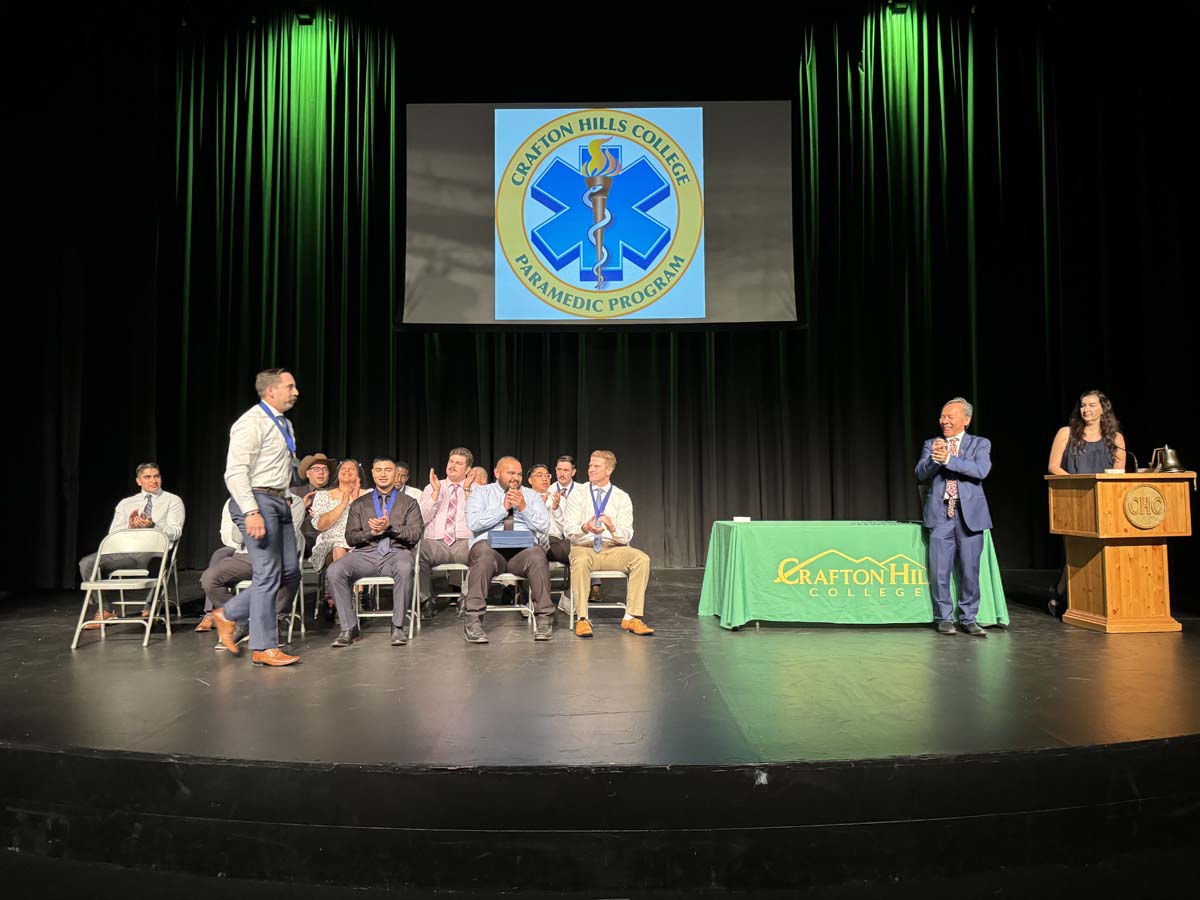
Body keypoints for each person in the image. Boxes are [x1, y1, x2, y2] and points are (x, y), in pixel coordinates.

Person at [213, 368, 302, 667]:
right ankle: (264, 646)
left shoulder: (283, 424)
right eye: (290, 387)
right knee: (267, 573)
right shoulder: (250, 423)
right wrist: (251, 510)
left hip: (279, 500)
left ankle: (228, 613)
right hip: (257, 499)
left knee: (291, 572)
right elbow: (235, 471)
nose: (296, 392)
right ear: (271, 391)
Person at [915, 397, 993, 638]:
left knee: (970, 570)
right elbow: (920, 473)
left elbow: (981, 471)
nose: (944, 421)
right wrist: (934, 460)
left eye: (950, 417)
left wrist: (949, 459)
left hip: (969, 515)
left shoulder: (980, 444)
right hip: (940, 514)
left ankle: (969, 618)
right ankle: (944, 618)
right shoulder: (932, 443)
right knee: (939, 570)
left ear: (966, 420)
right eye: (942, 416)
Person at [1045, 390, 1127, 616]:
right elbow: (1054, 466)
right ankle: (1063, 592)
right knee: (1075, 550)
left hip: (1106, 502)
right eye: (1083, 405)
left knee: (1099, 552)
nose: (1086, 410)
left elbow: (1119, 473)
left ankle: (1081, 597)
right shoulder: (1067, 433)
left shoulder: (1115, 438)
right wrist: (1078, 486)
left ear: (1103, 409)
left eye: (1092, 405)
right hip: (1074, 500)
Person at [327, 457, 423, 648]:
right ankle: (349, 628)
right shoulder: (360, 504)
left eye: (388, 470)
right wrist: (371, 532)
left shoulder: (409, 502)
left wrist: (390, 528)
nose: (383, 474)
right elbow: (350, 538)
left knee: (405, 567)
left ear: (396, 474)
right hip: (366, 554)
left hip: (396, 552)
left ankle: (397, 627)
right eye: (378, 470)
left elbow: (415, 534)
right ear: (372, 473)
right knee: (335, 570)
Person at [79, 462, 186, 627]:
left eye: (156, 476)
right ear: (138, 481)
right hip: (127, 552)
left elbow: (176, 531)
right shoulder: (126, 503)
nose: (153, 480)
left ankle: (150, 609)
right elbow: (112, 533)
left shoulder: (172, 500)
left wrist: (153, 526)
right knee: (87, 563)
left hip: (154, 551)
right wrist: (129, 526)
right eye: (147, 477)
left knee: (159, 559)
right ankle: (106, 610)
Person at [561, 450, 654, 638]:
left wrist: (612, 528)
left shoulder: (621, 497)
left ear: (609, 470)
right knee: (579, 561)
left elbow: (626, 535)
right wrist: (585, 527)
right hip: (584, 548)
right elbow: (568, 530)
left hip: (612, 549)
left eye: (597, 466)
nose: (591, 470)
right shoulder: (578, 494)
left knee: (641, 559)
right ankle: (582, 619)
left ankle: (631, 616)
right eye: (590, 465)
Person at [463, 456, 555, 643]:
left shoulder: (531, 496)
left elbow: (544, 525)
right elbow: (474, 523)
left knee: (538, 556)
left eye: (519, 474)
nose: (515, 478)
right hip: (489, 546)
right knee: (483, 558)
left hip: (522, 550)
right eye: (510, 473)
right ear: (497, 473)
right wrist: (503, 508)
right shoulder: (481, 494)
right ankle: (473, 622)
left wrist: (523, 507)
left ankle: (544, 619)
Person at [197, 494, 306, 636]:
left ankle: (273, 623)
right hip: (245, 556)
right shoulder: (238, 502)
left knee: (289, 573)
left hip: (277, 556)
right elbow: (237, 537)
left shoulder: (294, 501)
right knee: (210, 578)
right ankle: (242, 621)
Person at [416, 447, 475, 615]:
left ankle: (467, 597)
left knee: (482, 552)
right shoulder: (433, 486)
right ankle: (425, 600)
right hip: (436, 543)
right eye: (451, 462)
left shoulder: (476, 488)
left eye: (459, 463)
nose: (453, 466)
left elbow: (476, 519)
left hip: (464, 543)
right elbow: (421, 519)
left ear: (468, 469)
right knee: (417, 552)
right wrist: (435, 494)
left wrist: (468, 491)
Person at [310, 460, 366, 571]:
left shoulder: (369, 494)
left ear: (359, 475)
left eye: (352, 468)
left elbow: (369, 522)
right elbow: (321, 525)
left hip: (360, 539)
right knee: (339, 548)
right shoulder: (323, 496)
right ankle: (346, 587)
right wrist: (344, 502)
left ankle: (350, 587)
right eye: (343, 468)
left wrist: (355, 500)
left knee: (354, 549)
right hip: (331, 541)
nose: (347, 470)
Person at [296, 454, 334, 555]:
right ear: (308, 473)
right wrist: (302, 506)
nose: (321, 472)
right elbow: (287, 520)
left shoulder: (336, 493)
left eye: (325, 469)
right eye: (316, 469)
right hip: (301, 540)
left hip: (329, 541)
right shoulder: (295, 493)